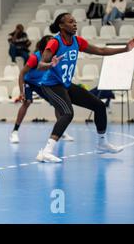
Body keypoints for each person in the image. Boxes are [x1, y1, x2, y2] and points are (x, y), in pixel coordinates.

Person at [36, 13, 134, 163]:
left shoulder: (77, 41)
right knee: (67, 113)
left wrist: (125, 49)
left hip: (66, 85)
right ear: (62, 26)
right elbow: (41, 65)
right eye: (71, 22)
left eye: (75, 21)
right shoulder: (54, 43)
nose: (75, 24)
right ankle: (46, 151)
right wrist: (51, 64)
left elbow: (100, 51)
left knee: (99, 106)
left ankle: (102, 143)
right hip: (51, 85)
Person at [10, 35, 74, 144]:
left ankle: (61, 131)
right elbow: (22, 74)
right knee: (27, 102)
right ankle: (14, 132)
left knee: (57, 103)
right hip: (29, 82)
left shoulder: (55, 57)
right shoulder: (35, 58)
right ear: (44, 48)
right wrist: (21, 92)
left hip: (42, 83)